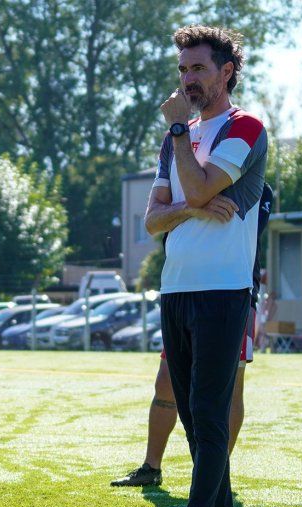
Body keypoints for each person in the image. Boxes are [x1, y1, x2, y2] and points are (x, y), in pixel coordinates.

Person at [144, 26, 268, 507]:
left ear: (226, 72)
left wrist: (179, 137)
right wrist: (195, 206)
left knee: (209, 415)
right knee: (194, 418)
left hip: (223, 291)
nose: (187, 79)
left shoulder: (246, 127)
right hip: (176, 288)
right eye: (182, 70)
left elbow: (192, 189)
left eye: (197, 69)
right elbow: (153, 222)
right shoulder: (179, 135)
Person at [112, 183, 273, 487]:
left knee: (228, 392)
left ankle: (213, 479)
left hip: (232, 297)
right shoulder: (186, 181)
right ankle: (151, 467)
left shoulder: (259, 188)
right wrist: (190, 206)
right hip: (186, 292)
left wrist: (190, 207)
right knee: (165, 384)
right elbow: (158, 222)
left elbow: (226, 222)